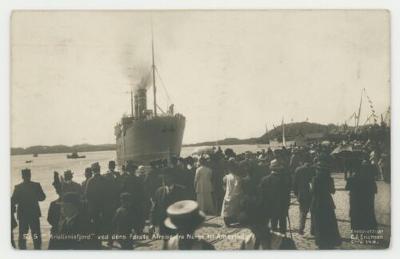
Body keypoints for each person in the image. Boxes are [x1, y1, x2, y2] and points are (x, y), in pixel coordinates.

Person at [11, 168, 46, 249]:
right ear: (30, 175)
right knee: (36, 234)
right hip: (34, 214)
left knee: (23, 235)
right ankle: (37, 249)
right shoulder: (36, 185)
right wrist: (34, 196)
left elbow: (13, 201)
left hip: (23, 215)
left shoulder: (18, 187)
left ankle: (23, 251)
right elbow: (42, 197)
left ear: (22, 176)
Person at [310, 160, 342, 249]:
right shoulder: (329, 179)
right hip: (327, 202)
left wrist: (310, 187)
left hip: (317, 202)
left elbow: (313, 192)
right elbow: (333, 191)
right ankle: (330, 239)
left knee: (319, 222)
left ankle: (321, 241)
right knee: (329, 221)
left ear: (318, 170)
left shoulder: (315, 178)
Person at [259, 159, 291, 234]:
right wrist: (287, 205)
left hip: (270, 206)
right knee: (283, 225)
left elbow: (262, 196)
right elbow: (287, 194)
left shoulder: (264, 180)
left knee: (273, 225)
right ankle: (283, 240)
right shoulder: (285, 179)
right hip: (282, 206)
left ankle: (274, 240)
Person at [345, 160, 378, 232]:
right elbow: (375, 190)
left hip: (354, 199)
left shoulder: (352, 178)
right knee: (368, 212)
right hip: (368, 199)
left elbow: (346, 188)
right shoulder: (369, 178)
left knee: (355, 213)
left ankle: (356, 229)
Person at [103, 160, 123, 246]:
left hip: (109, 203)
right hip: (116, 202)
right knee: (117, 221)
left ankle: (110, 240)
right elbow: (121, 186)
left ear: (108, 166)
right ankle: (118, 239)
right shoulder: (118, 175)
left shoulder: (105, 175)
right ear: (114, 166)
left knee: (109, 222)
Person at [85, 162, 107, 236]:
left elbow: (87, 194)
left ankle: (97, 237)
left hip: (94, 206)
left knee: (95, 221)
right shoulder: (104, 179)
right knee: (103, 220)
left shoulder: (90, 181)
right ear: (99, 169)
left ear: (92, 171)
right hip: (104, 205)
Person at [293, 161, 315, 235]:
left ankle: (301, 228)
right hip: (312, 194)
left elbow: (294, 184)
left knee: (303, 212)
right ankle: (313, 230)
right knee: (313, 212)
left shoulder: (298, 170)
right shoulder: (313, 170)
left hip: (302, 194)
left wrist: (296, 194)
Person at [221, 158, 242, 227]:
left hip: (227, 194)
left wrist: (226, 191)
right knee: (234, 209)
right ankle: (234, 220)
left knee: (226, 209)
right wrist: (237, 194)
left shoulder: (226, 177)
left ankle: (227, 221)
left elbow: (223, 186)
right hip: (234, 195)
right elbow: (237, 187)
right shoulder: (237, 178)